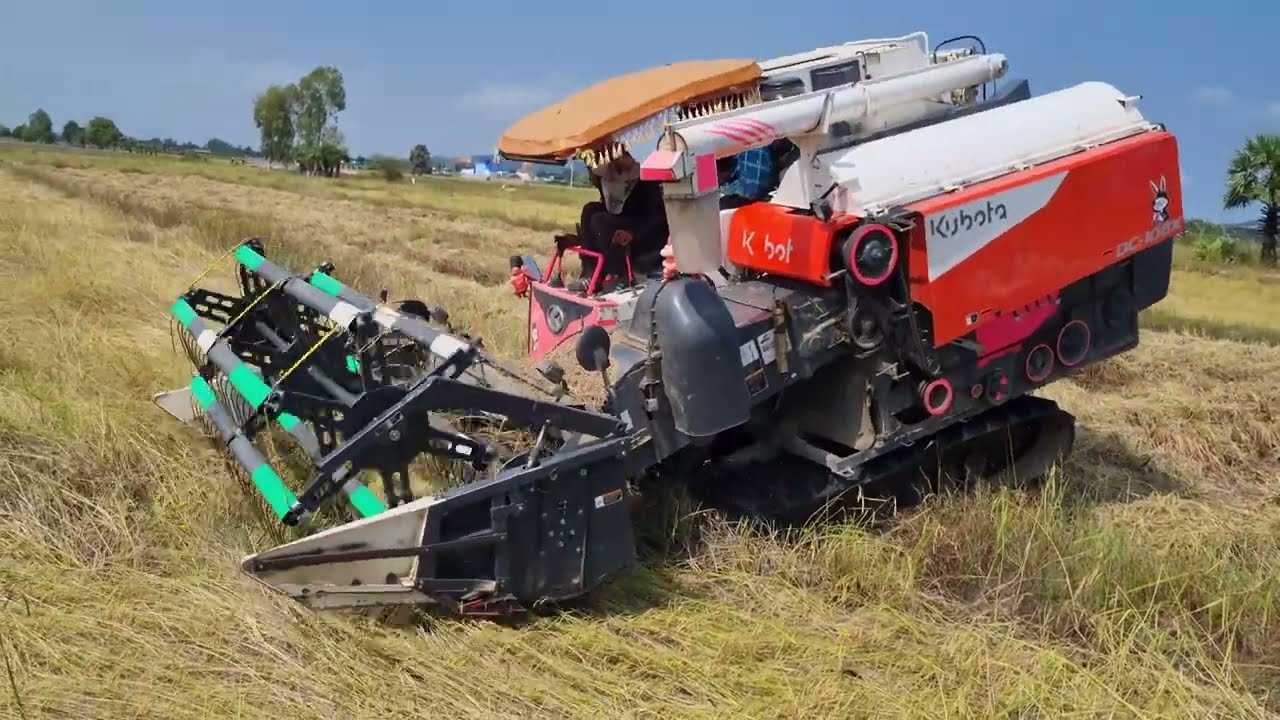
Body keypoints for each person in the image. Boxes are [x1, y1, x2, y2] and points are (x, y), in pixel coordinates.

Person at [572, 152, 669, 289]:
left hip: (649, 235)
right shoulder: (612, 178)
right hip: (628, 223)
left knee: (600, 220)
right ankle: (590, 273)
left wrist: (633, 233)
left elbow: (658, 218)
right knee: (590, 209)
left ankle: (622, 276)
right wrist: (583, 237)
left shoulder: (648, 180)